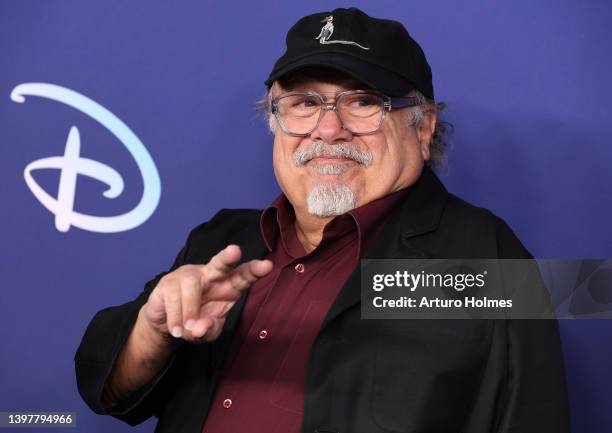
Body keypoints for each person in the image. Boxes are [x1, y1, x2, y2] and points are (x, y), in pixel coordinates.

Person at [75, 7, 570, 433]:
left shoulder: (484, 253)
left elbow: (532, 411)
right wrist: (154, 331)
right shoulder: (222, 239)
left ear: (423, 129)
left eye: (362, 102)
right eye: (305, 103)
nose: (328, 129)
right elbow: (108, 391)